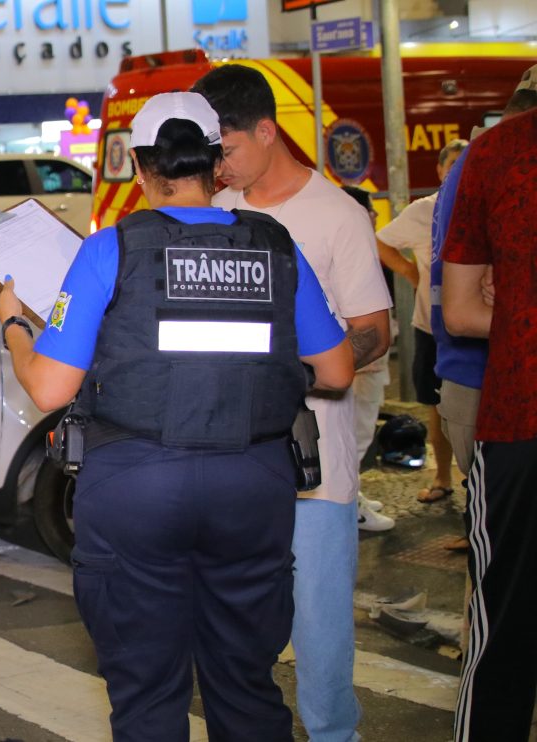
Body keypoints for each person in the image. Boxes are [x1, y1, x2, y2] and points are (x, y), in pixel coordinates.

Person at [0, 91, 353, 741]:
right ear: (218, 163)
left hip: (136, 486)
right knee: (245, 685)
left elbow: (48, 388)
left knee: (148, 692)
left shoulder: (110, 251)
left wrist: (16, 325)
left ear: (137, 164)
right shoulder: (275, 246)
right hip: (252, 484)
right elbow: (336, 372)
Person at [192, 65, 392, 742]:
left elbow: (374, 328)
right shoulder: (215, 214)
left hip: (315, 470)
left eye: (229, 150)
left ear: (267, 131)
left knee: (321, 639)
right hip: (229, 461)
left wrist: (296, 372)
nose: (218, 167)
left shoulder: (335, 215)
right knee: (233, 633)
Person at [440, 71, 537, 742]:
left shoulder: (497, 153)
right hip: (516, 418)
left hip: (521, 419)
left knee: (505, 628)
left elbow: (463, 309)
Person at [375, 140, 468, 506]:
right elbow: (380, 242)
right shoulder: (423, 211)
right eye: (453, 165)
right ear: (441, 171)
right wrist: (413, 274)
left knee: (472, 412)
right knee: (436, 405)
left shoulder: (485, 204)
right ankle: (444, 478)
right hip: (433, 329)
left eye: (465, 164)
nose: (458, 172)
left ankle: (476, 485)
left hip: (473, 333)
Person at [338, 185, 395, 532]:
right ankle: (352, 506)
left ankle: (354, 494)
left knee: (358, 432)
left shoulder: (353, 246)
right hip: (363, 362)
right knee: (356, 437)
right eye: (369, 209)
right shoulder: (354, 250)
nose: (375, 215)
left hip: (364, 360)